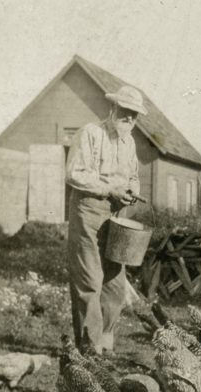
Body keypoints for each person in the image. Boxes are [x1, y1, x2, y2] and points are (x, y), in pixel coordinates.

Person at [65, 85, 147, 355]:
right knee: (90, 280)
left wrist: (132, 191)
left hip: (115, 213)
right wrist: (109, 189)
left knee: (114, 284)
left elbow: (133, 177)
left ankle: (105, 345)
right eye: (125, 112)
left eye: (134, 115)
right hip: (88, 209)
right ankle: (90, 349)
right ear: (112, 109)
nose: (129, 119)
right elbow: (75, 173)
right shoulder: (91, 133)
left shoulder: (129, 143)